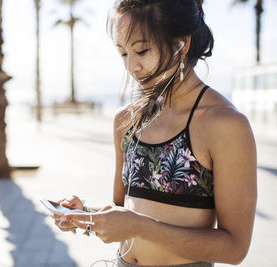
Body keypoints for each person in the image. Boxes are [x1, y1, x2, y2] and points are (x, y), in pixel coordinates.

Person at [52, 0, 257, 266]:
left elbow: (235, 247)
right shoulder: (127, 120)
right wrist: (85, 216)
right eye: (123, 53)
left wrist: (140, 227)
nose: (131, 67)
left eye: (141, 50)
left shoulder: (225, 125)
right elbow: (124, 215)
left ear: (181, 44)